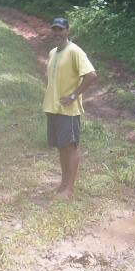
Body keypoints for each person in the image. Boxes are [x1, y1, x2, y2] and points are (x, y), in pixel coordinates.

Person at [43, 18, 97, 200]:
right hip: (53, 107)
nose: (57, 32)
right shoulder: (52, 53)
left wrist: (74, 96)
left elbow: (91, 75)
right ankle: (63, 184)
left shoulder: (75, 51)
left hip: (69, 110)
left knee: (70, 147)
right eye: (54, 29)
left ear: (67, 30)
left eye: (60, 29)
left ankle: (70, 189)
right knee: (61, 147)